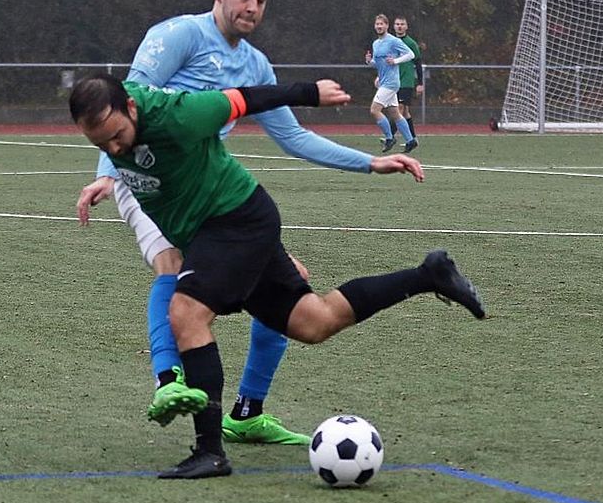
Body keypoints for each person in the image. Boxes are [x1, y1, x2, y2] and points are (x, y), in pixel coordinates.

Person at [77, 0, 425, 447]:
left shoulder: (255, 64)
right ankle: (168, 380)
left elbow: (294, 138)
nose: (252, 6)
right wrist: (108, 175)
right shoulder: (177, 35)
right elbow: (123, 104)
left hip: (213, 195)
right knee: (172, 267)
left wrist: (368, 162)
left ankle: (246, 411)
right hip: (149, 180)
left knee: (296, 285)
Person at [69, 74, 486, 479]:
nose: (113, 146)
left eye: (116, 135)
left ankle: (210, 452)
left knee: (186, 313)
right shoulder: (117, 126)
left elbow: (244, 98)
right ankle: (429, 275)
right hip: (221, 230)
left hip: (233, 221)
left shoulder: (181, 114)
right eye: (99, 143)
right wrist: (107, 174)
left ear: (131, 106)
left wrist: (310, 93)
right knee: (315, 321)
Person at [364, 14, 418, 154]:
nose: (379, 26)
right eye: (377, 24)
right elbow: (379, 64)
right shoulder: (376, 43)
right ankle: (410, 141)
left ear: (387, 26)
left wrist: (396, 61)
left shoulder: (393, 41)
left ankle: (389, 138)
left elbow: (410, 54)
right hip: (384, 82)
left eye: (381, 24)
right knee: (395, 113)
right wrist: (370, 62)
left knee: (374, 110)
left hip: (391, 83)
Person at [393, 16, 423, 140]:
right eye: (397, 24)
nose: (399, 26)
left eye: (402, 24)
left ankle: (390, 136)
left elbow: (418, 63)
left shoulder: (411, 43)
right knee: (405, 112)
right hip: (393, 80)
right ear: (394, 26)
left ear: (406, 27)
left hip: (406, 81)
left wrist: (420, 83)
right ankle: (413, 138)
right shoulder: (391, 41)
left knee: (398, 109)